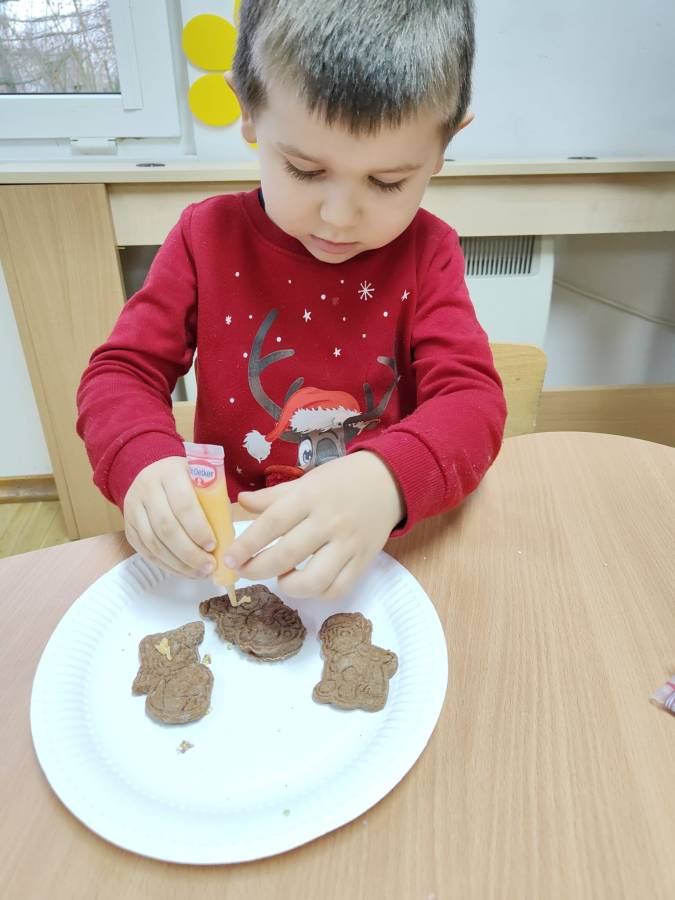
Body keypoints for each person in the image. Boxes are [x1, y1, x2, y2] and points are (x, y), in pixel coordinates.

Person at [76, 0, 506, 601]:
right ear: (249, 112)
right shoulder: (205, 238)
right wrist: (142, 459)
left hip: (379, 555)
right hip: (232, 550)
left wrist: (388, 480)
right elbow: (121, 373)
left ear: (442, 148)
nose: (339, 217)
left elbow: (472, 401)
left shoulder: (427, 252)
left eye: (387, 182)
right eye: (305, 170)